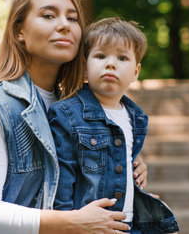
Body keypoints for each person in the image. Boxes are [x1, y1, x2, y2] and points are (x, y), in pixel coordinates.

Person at [0, 0, 149, 234]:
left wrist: (125, 161)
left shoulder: (76, 110)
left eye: (72, 18)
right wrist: (74, 222)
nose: (64, 26)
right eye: (48, 15)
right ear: (19, 31)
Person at [48, 17, 180, 233]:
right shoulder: (67, 114)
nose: (111, 63)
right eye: (100, 56)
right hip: (89, 226)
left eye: (122, 57)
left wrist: (136, 171)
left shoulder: (134, 117)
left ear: (135, 72)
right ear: (83, 67)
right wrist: (68, 224)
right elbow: (61, 178)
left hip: (129, 224)